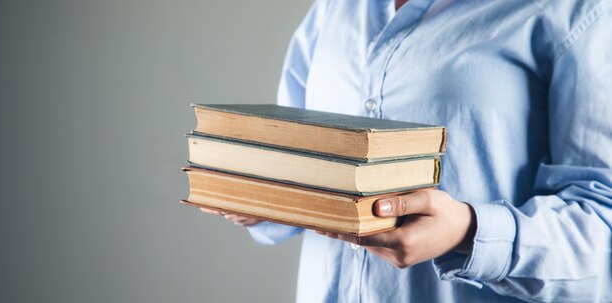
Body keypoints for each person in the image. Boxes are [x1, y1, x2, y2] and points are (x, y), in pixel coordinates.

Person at [200, 0, 612, 301]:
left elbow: (601, 226)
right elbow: (296, 161)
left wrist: (470, 233)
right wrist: (263, 198)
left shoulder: (577, 10)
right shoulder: (331, 10)